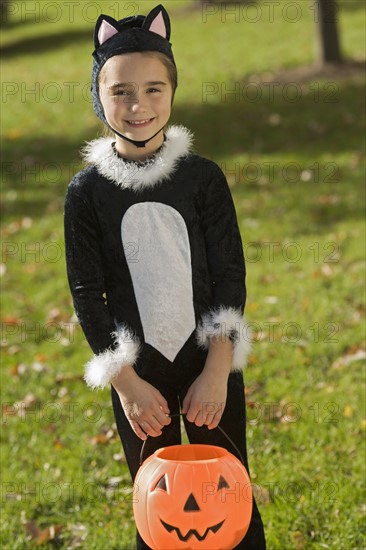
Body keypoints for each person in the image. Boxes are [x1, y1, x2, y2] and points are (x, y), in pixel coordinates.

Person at [64, 4, 266, 549]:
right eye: (121, 91)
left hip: (207, 366)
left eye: (154, 89)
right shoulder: (87, 193)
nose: (138, 105)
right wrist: (127, 384)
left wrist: (219, 367)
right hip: (140, 379)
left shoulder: (202, 179)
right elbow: (87, 293)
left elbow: (229, 275)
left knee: (225, 499)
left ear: (173, 92)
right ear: (98, 96)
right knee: (160, 510)